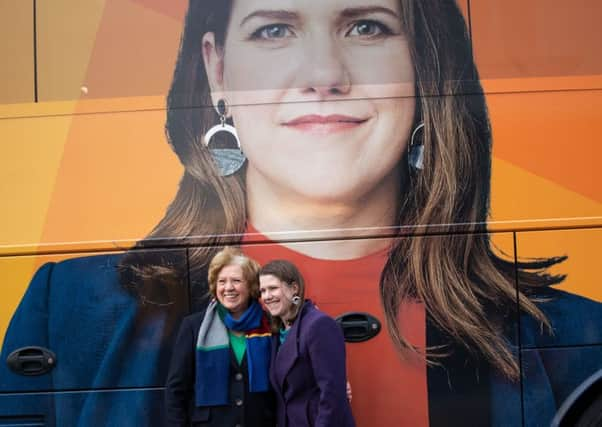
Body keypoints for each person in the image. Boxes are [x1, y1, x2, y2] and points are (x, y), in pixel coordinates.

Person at [1, 0, 601, 426]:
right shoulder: (68, 312)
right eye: (273, 30)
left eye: (367, 26)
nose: (324, 75)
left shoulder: (580, 342)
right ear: (217, 71)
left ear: (425, 67)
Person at [165, 247, 274, 427]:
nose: (228, 287)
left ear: (251, 286)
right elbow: (176, 391)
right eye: (221, 281)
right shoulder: (194, 327)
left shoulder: (270, 325)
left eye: (236, 281)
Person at [258, 260, 355, 427]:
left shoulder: (319, 325)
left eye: (273, 288)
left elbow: (332, 395)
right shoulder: (277, 331)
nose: (267, 296)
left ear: (294, 288)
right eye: (263, 291)